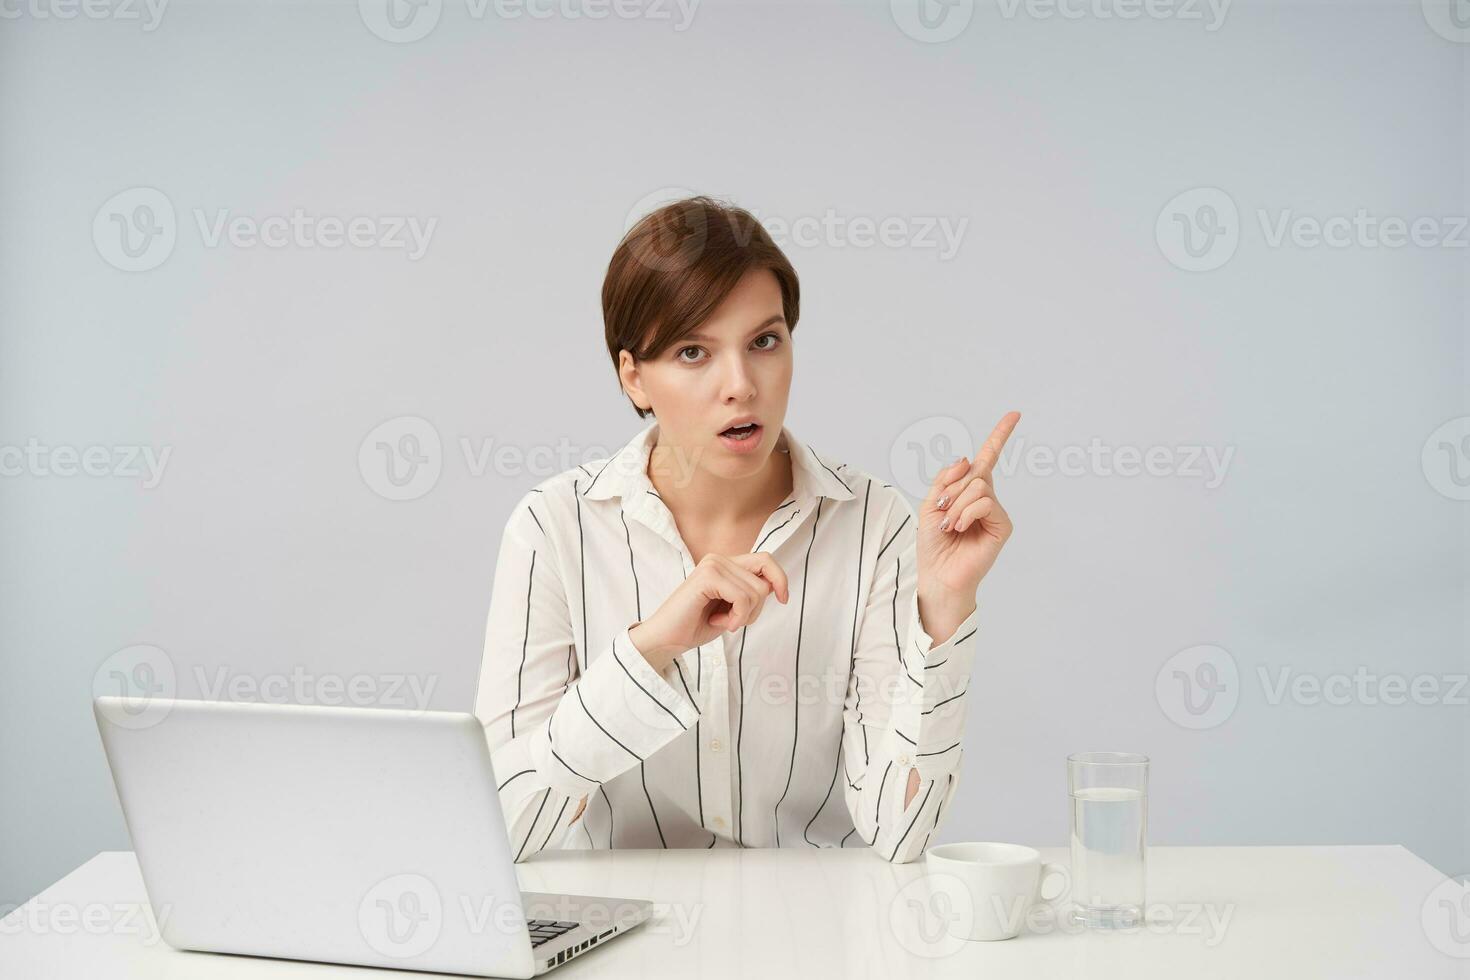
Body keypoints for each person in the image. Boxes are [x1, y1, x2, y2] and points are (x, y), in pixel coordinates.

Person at [474, 196, 1019, 863]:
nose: (740, 385)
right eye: (693, 351)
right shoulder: (553, 527)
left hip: (820, 943)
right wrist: (652, 649)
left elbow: (899, 834)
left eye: (764, 341)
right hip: (626, 947)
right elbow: (498, 826)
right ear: (633, 376)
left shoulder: (875, 525)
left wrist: (942, 610)